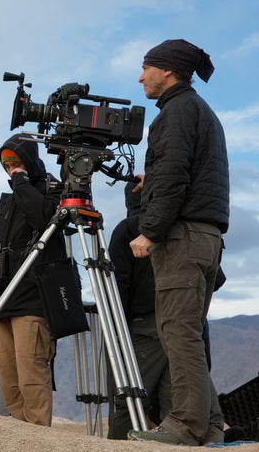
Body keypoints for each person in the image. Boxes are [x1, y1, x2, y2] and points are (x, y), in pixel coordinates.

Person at [127, 39, 229, 446]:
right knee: (186, 332)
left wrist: (150, 230)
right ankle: (211, 426)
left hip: (182, 238)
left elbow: (174, 177)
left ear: (167, 71)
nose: (141, 77)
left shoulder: (175, 112)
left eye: (146, 68)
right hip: (206, 237)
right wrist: (152, 182)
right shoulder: (201, 112)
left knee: (177, 333)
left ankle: (185, 427)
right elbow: (189, 171)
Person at [0, 134, 64, 426]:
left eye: (16, 162)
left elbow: (45, 220)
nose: (10, 168)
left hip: (32, 298)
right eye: (6, 164)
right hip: (3, 300)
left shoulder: (49, 190)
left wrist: (21, 182)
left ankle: (39, 436)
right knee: (9, 378)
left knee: (31, 373)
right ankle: (22, 434)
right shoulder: (9, 201)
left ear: (28, 160)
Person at [107, 182, 171, 439]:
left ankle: (117, 445)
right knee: (175, 397)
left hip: (145, 325)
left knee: (131, 396)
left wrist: (116, 331)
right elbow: (216, 279)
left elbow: (117, 285)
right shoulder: (175, 223)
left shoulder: (129, 229)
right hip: (183, 320)